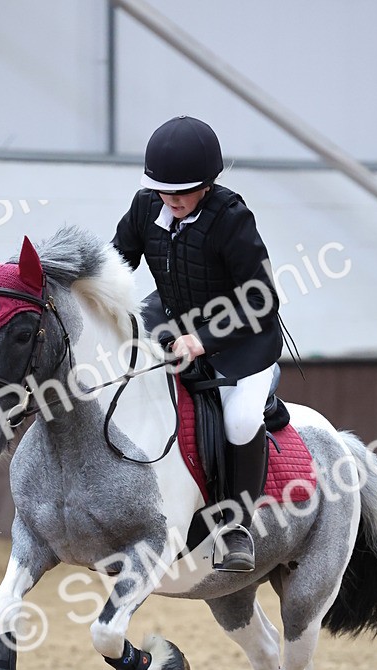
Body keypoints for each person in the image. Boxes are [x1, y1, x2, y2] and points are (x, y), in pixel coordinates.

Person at [112, 115, 283, 572]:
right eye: (163, 190)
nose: (172, 200)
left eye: (183, 191)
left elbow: (262, 299)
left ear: (207, 184)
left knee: (241, 420)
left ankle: (236, 526)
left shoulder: (231, 218)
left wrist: (203, 340)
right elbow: (116, 264)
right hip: (173, 319)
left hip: (242, 340)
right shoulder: (146, 206)